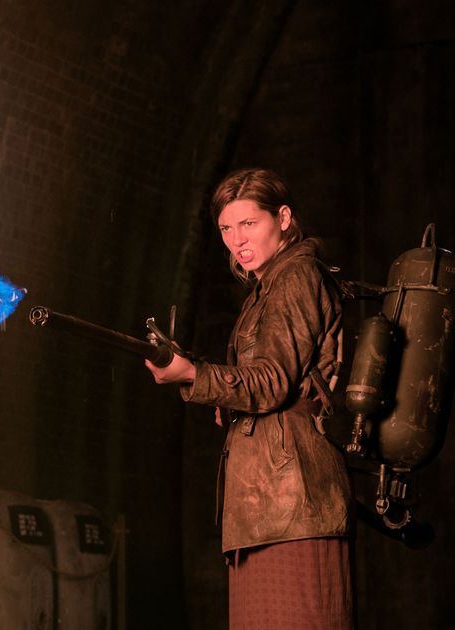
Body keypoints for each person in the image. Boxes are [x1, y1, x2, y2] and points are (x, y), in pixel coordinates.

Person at [146, 168, 354, 629]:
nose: (236, 239)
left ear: (283, 218)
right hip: (266, 509)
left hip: (294, 507)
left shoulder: (295, 276)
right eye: (226, 228)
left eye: (248, 223)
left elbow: (272, 381)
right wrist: (217, 391)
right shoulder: (267, 287)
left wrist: (193, 375)